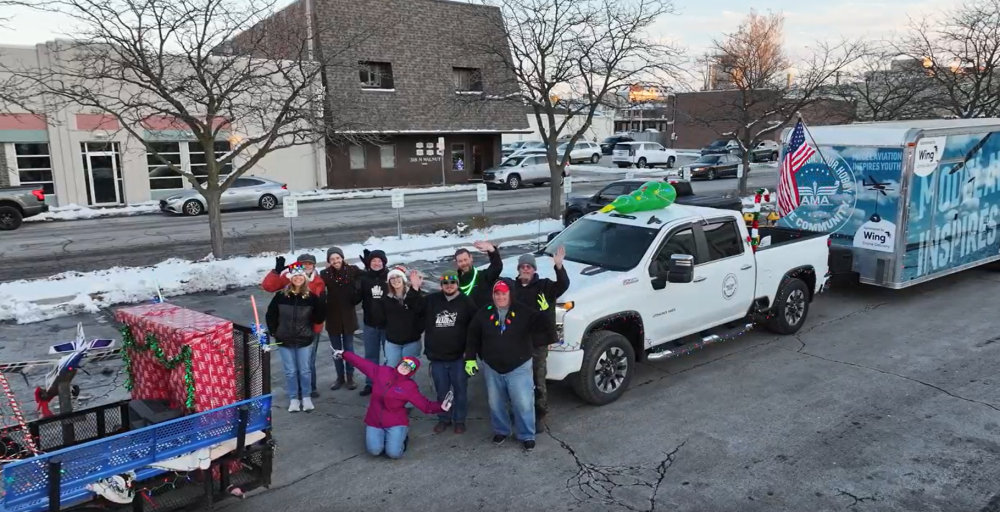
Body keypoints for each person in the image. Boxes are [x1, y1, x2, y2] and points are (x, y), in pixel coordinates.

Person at [465, 279, 547, 451]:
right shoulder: (484, 312)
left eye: (504, 293)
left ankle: (526, 435)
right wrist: (470, 358)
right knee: (495, 403)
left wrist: (545, 312)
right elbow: (472, 336)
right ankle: (502, 430)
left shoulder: (524, 311)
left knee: (523, 403)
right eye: (497, 293)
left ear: (510, 294)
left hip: (519, 366)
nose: (500, 297)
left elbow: (542, 329)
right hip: (492, 367)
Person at [333, 349, 452, 459]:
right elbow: (362, 363)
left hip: (395, 422)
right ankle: (386, 438)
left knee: (393, 454)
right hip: (374, 420)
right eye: (404, 364)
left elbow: (425, 406)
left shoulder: (410, 387)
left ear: (412, 372)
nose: (405, 368)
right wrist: (344, 354)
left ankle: (402, 436)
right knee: (374, 451)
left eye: (409, 368)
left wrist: (441, 407)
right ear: (400, 363)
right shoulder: (382, 372)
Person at [511, 246, 568, 429]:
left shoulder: (545, 286)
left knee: (538, 380)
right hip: (518, 342)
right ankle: (519, 411)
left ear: (534, 270)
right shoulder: (512, 289)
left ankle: (539, 414)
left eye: (529, 267)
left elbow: (563, 285)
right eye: (523, 267)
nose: (525, 269)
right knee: (518, 380)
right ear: (518, 269)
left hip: (538, 343)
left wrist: (559, 266)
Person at [419, 269, 477, 434]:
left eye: (452, 282)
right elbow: (415, 307)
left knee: (460, 391)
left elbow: (475, 328)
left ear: (457, 284)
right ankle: (444, 419)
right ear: (441, 285)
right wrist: (415, 288)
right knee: (442, 392)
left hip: (459, 357)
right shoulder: (431, 300)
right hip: (437, 357)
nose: (449, 285)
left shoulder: (466, 302)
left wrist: (471, 353)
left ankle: (460, 420)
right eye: (445, 282)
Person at [261, 254, 325, 399]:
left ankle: (309, 389)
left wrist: (316, 327)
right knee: (292, 365)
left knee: (308, 363)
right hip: (288, 327)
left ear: (314, 265)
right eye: (304, 264)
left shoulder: (320, 281)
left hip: (309, 328)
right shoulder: (290, 277)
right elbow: (268, 286)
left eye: (310, 264)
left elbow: (320, 310)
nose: (307, 266)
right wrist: (276, 272)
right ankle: (295, 392)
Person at [321, 246, 363, 391]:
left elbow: (368, 278)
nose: (335, 261)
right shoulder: (324, 274)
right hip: (332, 317)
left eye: (338, 258)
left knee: (349, 349)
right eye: (332, 259)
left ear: (342, 258)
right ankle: (340, 377)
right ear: (328, 261)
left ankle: (350, 377)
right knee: (336, 350)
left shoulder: (353, 270)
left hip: (348, 315)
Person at [370, 267, 424, 369]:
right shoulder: (386, 299)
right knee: (391, 370)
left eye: (398, 276)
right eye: (392, 278)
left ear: (403, 279)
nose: (395, 280)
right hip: (392, 343)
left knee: (407, 373)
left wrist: (417, 331)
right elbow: (379, 320)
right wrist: (376, 301)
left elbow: (420, 312)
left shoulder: (413, 294)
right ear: (389, 282)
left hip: (411, 342)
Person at [357, 249, 389, 397]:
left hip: (387, 325)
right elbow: (356, 298)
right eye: (373, 261)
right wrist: (360, 275)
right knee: (371, 356)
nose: (376, 263)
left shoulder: (390, 277)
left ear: (384, 262)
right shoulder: (365, 279)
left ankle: (388, 383)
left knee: (389, 357)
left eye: (379, 261)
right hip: (370, 324)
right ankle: (370, 383)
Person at [455, 240, 503, 308]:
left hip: (484, 317)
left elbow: (497, 267)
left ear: (471, 258)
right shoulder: (455, 284)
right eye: (460, 261)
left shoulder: (483, 277)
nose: (464, 263)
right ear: (456, 263)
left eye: (465, 259)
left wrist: (492, 250)